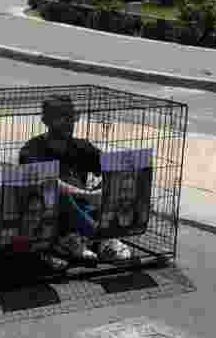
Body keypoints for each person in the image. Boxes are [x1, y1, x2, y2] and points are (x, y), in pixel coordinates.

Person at [18, 95, 133, 263]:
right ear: (47, 121)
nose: (68, 124)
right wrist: (86, 195)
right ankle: (97, 237)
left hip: (85, 206)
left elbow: (112, 168)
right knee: (54, 190)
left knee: (119, 178)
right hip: (53, 214)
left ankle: (85, 239)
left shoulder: (81, 146)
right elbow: (42, 186)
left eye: (70, 118)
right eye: (61, 119)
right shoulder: (31, 151)